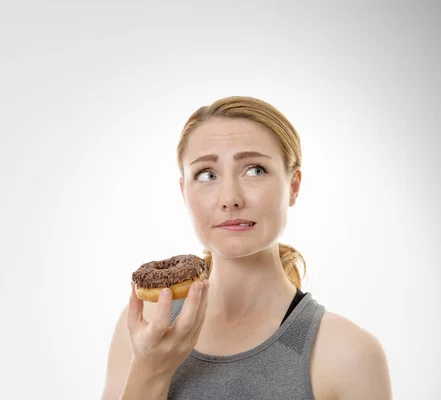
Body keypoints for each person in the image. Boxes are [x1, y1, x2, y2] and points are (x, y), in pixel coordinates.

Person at [101, 96, 393, 399]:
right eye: (207, 174)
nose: (230, 197)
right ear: (184, 193)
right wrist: (150, 370)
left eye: (255, 170)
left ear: (293, 185)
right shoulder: (143, 326)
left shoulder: (348, 354)